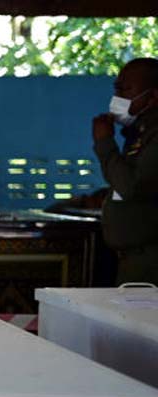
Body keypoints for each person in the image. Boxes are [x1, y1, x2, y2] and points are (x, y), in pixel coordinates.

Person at [92, 57, 158, 284]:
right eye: (116, 89)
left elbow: (132, 186)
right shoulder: (139, 134)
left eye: (125, 89)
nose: (117, 97)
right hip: (134, 259)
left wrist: (105, 143)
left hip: (150, 260)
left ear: (153, 96)